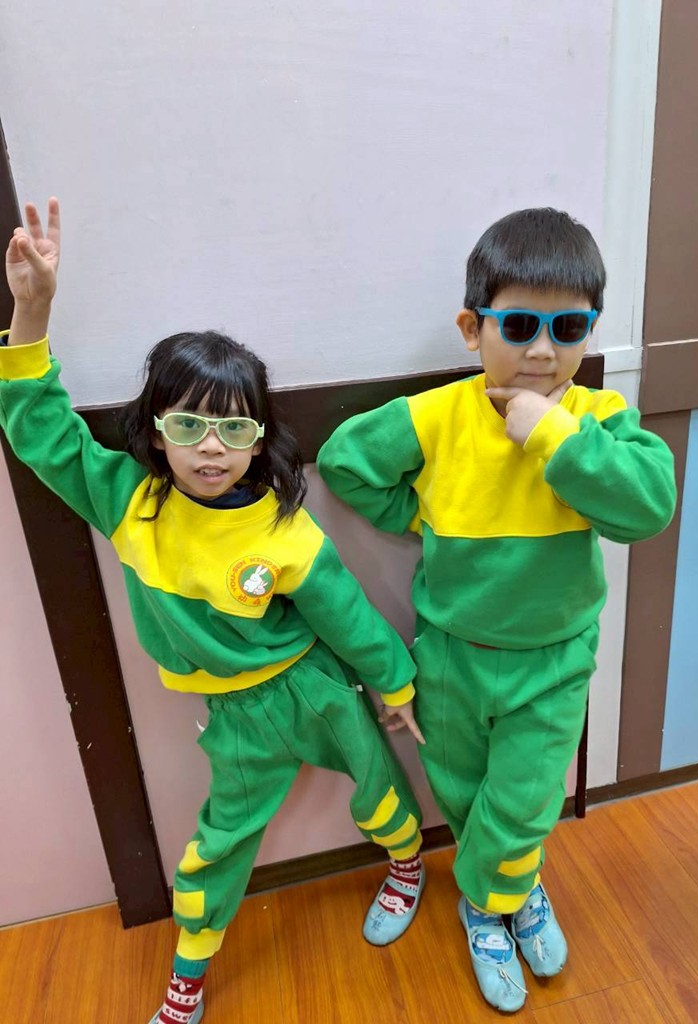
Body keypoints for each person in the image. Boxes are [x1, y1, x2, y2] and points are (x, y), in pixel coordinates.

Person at [1, 199, 426, 1024]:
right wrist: (34, 311)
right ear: (157, 431)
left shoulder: (281, 526)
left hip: (314, 687)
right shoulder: (129, 502)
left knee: (378, 783)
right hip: (235, 717)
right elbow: (41, 431)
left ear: (259, 438)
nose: (210, 445)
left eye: (233, 428)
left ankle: (407, 864)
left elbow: (345, 614)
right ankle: (187, 982)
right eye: (189, 423)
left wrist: (397, 684)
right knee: (220, 843)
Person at [318, 208, 677, 1013]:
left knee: (524, 798)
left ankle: (488, 904)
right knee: (461, 787)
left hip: (554, 657)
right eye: (518, 326)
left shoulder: (597, 421)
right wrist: (421, 515)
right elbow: (344, 461)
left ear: (589, 332)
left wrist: (554, 436)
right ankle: (513, 882)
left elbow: (647, 508)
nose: (542, 350)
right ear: (472, 328)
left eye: (567, 328)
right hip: (452, 653)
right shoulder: (438, 415)